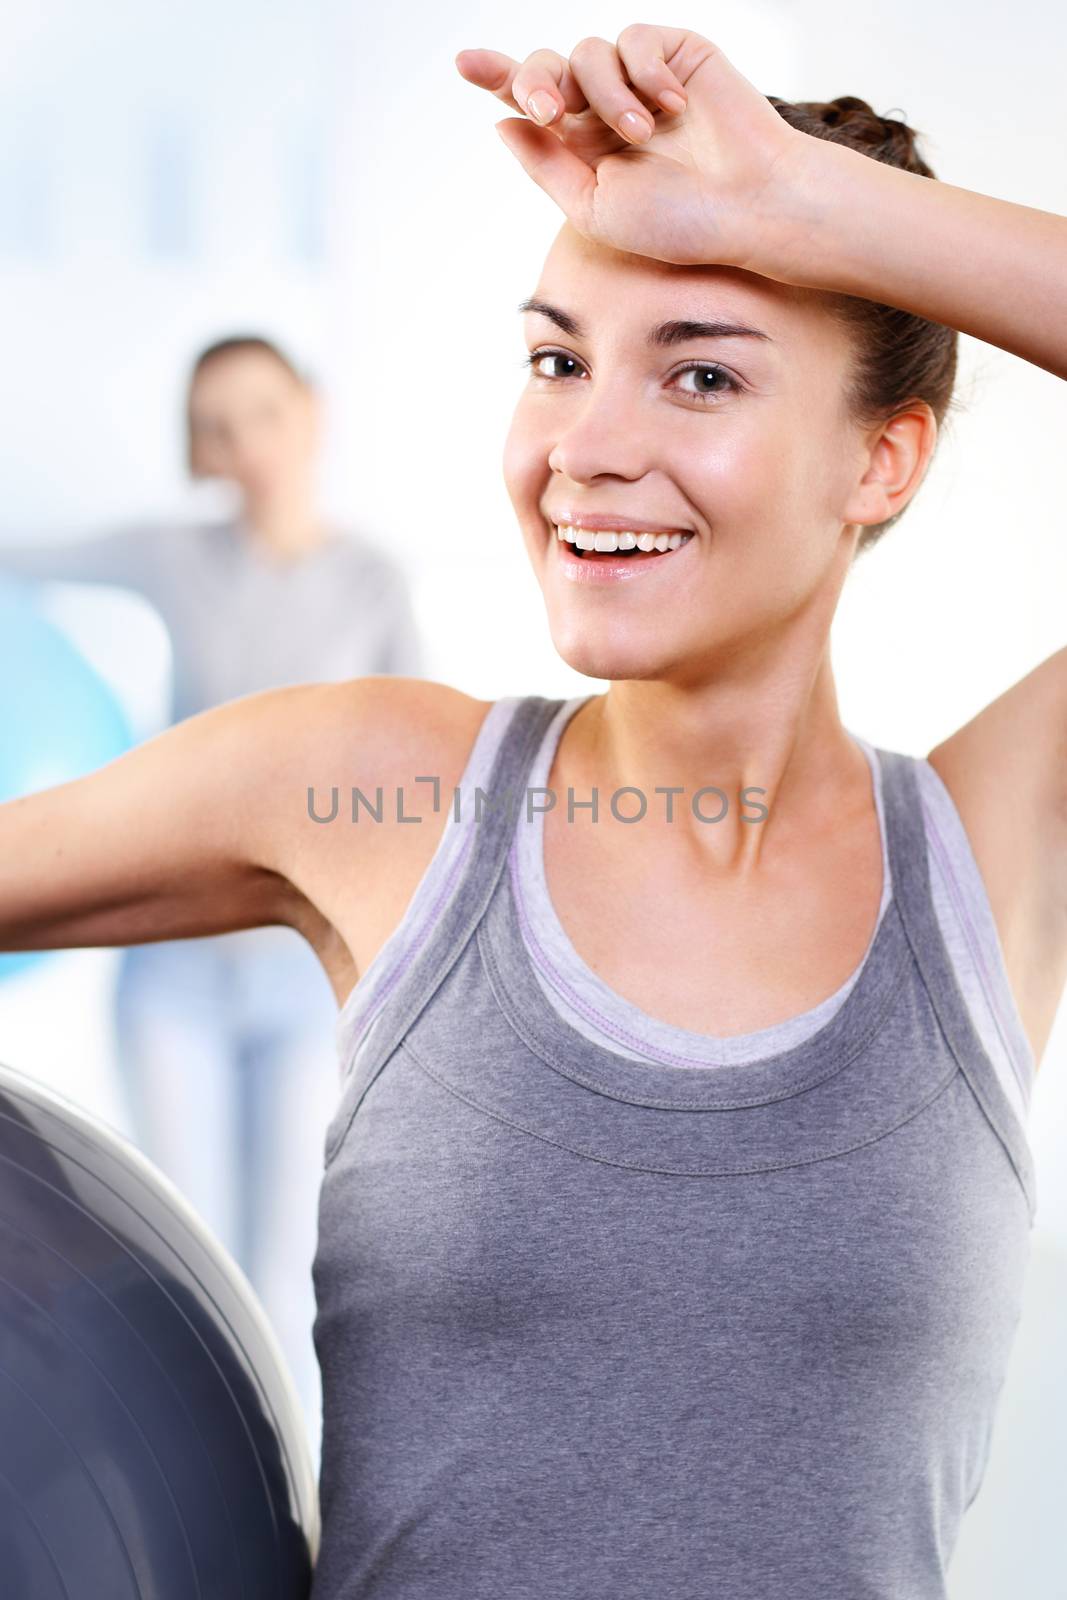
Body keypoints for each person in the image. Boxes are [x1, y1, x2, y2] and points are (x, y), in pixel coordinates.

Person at [2, 25, 1065, 1596]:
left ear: (882, 460)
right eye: (558, 359)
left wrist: (799, 205)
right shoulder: (380, 792)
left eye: (698, 371)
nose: (587, 447)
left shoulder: (991, 854)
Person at [0, 334, 425, 1464]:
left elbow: (419, 772)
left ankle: (289, 1523)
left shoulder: (369, 581)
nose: (247, 447)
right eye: (219, 426)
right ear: (203, 446)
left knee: (288, 1277)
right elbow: (23, 550)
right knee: (182, 1269)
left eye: (264, 416)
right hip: (175, 975)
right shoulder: (172, 555)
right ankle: (191, 1501)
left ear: (311, 415)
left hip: (300, 985)